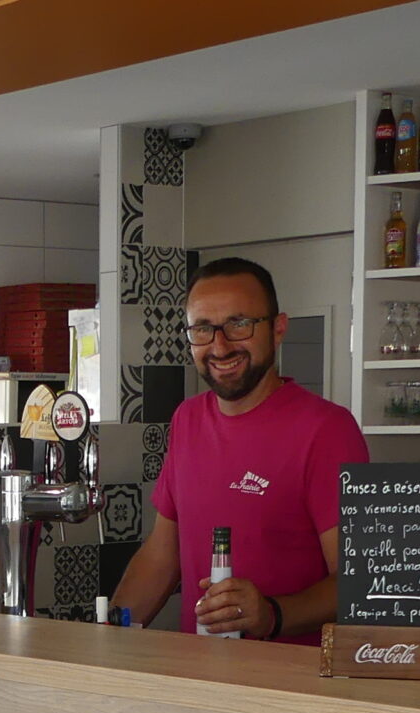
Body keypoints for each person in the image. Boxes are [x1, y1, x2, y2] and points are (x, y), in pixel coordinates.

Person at [110, 257, 369, 643]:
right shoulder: (187, 420)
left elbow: (359, 578)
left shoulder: (327, 430)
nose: (220, 346)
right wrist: (108, 633)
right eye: (202, 329)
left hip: (290, 677)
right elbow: (162, 556)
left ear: (278, 328)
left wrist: (272, 615)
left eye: (239, 324)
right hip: (198, 672)